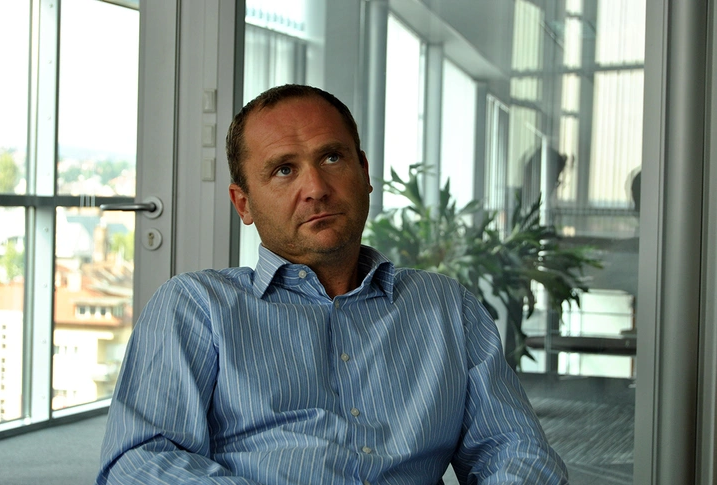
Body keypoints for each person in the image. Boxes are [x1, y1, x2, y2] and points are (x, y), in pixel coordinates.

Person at [96, 84, 569, 484]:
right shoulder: (196, 307)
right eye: (284, 169)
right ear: (244, 204)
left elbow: (516, 450)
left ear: (364, 173)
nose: (316, 188)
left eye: (331, 157)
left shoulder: (447, 308)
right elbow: (140, 462)